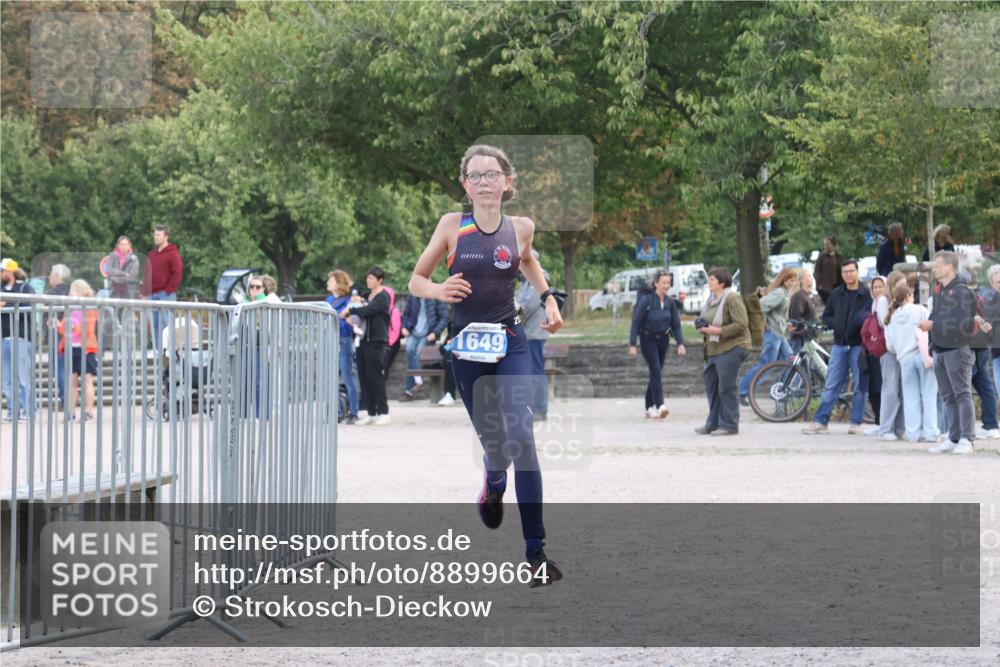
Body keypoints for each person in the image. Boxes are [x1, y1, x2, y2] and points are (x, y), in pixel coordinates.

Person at [407, 143, 563, 585]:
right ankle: (494, 483)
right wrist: (439, 291)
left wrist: (549, 299)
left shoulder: (522, 228)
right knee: (497, 447)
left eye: (491, 174)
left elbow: (529, 262)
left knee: (522, 437)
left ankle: (536, 554)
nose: (483, 182)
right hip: (467, 348)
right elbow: (416, 280)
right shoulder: (452, 226)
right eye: (475, 176)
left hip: (510, 339)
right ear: (465, 185)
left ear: (507, 182)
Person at [802, 259, 873, 435]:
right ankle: (821, 422)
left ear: (858, 271)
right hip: (840, 345)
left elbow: (872, 317)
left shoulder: (866, 294)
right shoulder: (836, 294)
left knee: (860, 386)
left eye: (851, 271)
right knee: (832, 384)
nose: (848, 274)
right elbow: (826, 317)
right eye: (845, 272)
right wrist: (838, 324)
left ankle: (855, 423)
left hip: (859, 346)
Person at [918, 251, 978, 454]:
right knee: (947, 396)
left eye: (937, 264)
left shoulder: (962, 291)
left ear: (949, 267)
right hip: (940, 350)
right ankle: (953, 437)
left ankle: (966, 439)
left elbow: (964, 324)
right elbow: (935, 316)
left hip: (958, 350)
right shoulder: (939, 291)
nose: (934, 268)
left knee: (962, 394)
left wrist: (933, 324)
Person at [694, 268, 749, 436]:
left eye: (712, 279)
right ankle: (713, 423)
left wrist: (716, 331)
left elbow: (741, 324)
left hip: (732, 347)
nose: (709, 282)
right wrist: (701, 325)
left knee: (726, 387)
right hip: (713, 350)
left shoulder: (732, 298)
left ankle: (730, 425)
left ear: (722, 283)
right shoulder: (711, 299)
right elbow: (706, 319)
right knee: (712, 386)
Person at [884, 283, 939, 443]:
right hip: (923, 356)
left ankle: (913, 433)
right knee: (929, 395)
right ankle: (931, 432)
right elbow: (931, 328)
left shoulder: (891, 317)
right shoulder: (920, 310)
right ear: (908, 296)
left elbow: (890, 346)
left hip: (904, 358)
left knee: (910, 397)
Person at [629, 269, 687, 419]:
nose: (666, 285)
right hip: (648, 339)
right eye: (664, 283)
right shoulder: (646, 301)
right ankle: (660, 405)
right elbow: (636, 322)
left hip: (664, 339)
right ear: (656, 284)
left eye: (668, 283)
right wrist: (632, 343)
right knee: (655, 370)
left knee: (656, 373)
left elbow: (675, 325)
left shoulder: (670, 303)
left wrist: (680, 343)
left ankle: (649, 407)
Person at [738, 268, 797, 404]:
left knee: (790, 362)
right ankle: (742, 391)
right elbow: (761, 305)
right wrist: (767, 322)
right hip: (773, 334)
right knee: (765, 365)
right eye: (790, 280)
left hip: (779, 334)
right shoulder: (779, 293)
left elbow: (779, 314)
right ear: (783, 279)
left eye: (794, 280)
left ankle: (781, 391)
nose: (792, 283)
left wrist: (785, 323)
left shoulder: (785, 293)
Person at [343, 267, 391, 426]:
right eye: (368, 278)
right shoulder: (366, 295)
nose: (368, 280)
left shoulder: (383, 297)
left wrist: (351, 310)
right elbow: (355, 292)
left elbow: (369, 309)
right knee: (363, 376)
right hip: (362, 340)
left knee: (375, 376)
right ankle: (371, 412)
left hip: (376, 340)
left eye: (371, 278)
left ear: (380, 279)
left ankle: (383, 411)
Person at [868, 271, 908, 440]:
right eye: (900, 284)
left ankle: (899, 428)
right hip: (889, 349)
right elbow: (886, 324)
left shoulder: (902, 301)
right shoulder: (884, 301)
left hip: (901, 348)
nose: (903, 287)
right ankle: (886, 429)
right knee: (890, 388)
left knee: (901, 389)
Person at [518, 251, 556, 420]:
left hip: (534, 332)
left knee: (536, 371)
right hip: (526, 333)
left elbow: (528, 306)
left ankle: (540, 409)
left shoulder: (537, 279)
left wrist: (515, 310)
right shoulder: (527, 281)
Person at [57, 279, 99, 422]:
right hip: (72, 346)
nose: (69, 294)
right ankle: (71, 412)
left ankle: (88, 412)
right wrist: (58, 325)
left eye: (71, 292)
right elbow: (64, 328)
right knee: (72, 380)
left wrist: (74, 328)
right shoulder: (70, 307)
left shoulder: (90, 307)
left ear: (80, 292)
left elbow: (88, 328)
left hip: (86, 348)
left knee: (87, 380)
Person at [1, 258, 35, 421]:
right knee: (6, 379)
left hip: (21, 337)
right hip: (4, 338)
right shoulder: (1, 289)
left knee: (23, 377)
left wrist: (6, 304)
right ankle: (12, 412)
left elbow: (27, 306)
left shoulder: (24, 287)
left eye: (2, 271)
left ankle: (28, 411)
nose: (1, 274)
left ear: (10, 272)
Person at [326, 270, 360, 424]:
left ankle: (353, 411)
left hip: (344, 340)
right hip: (331, 339)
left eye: (331, 281)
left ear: (339, 283)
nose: (328, 283)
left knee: (348, 377)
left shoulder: (348, 300)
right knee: (331, 378)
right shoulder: (329, 300)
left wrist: (338, 319)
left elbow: (349, 324)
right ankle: (337, 411)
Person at [400, 292, 449, 401]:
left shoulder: (435, 296)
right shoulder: (413, 296)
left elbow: (444, 317)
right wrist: (404, 327)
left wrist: (435, 332)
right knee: (409, 350)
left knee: (418, 353)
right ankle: (417, 381)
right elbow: (406, 314)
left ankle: (410, 389)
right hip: (413, 332)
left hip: (428, 334)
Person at [144, 224, 183, 351]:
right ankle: (158, 351)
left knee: (166, 323)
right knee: (155, 323)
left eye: (158, 235)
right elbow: (147, 273)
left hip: (165, 294)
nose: (155, 237)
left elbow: (177, 273)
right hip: (152, 294)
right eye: (154, 234)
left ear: (165, 236)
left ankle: (169, 350)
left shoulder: (172, 253)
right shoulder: (152, 254)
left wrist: (169, 290)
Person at [859, 276, 886, 427]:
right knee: (873, 388)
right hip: (871, 351)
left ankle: (885, 423)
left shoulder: (889, 303)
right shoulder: (870, 305)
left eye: (880, 286)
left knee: (884, 387)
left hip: (884, 350)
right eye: (874, 287)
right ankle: (878, 422)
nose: (877, 290)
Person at [788, 269, 818, 354]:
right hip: (801, 339)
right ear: (802, 280)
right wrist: (807, 326)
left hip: (808, 337)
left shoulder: (806, 295)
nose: (811, 278)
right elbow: (795, 318)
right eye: (808, 276)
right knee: (797, 366)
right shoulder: (799, 296)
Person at [814, 236, 844, 305]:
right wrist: (819, 285)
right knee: (829, 305)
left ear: (833, 245)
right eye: (824, 244)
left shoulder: (839, 257)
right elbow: (817, 271)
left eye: (827, 244)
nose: (825, 246)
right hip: (825, 288)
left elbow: (841, 271)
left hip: (837, 286)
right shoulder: (821, 256)